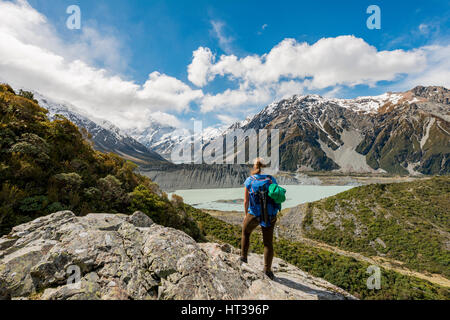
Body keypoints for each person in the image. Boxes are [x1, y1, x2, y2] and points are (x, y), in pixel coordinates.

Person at [240, 158, 280, 280]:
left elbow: (246, 200)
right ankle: (267, 270)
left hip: (254, 214)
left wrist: (247, 215)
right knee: (268, 243)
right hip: (270, 215)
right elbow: (276, 195)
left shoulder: (249, 180)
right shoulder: (271, 179)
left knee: (246, 233)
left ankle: (243, 259)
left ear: (254, 167)